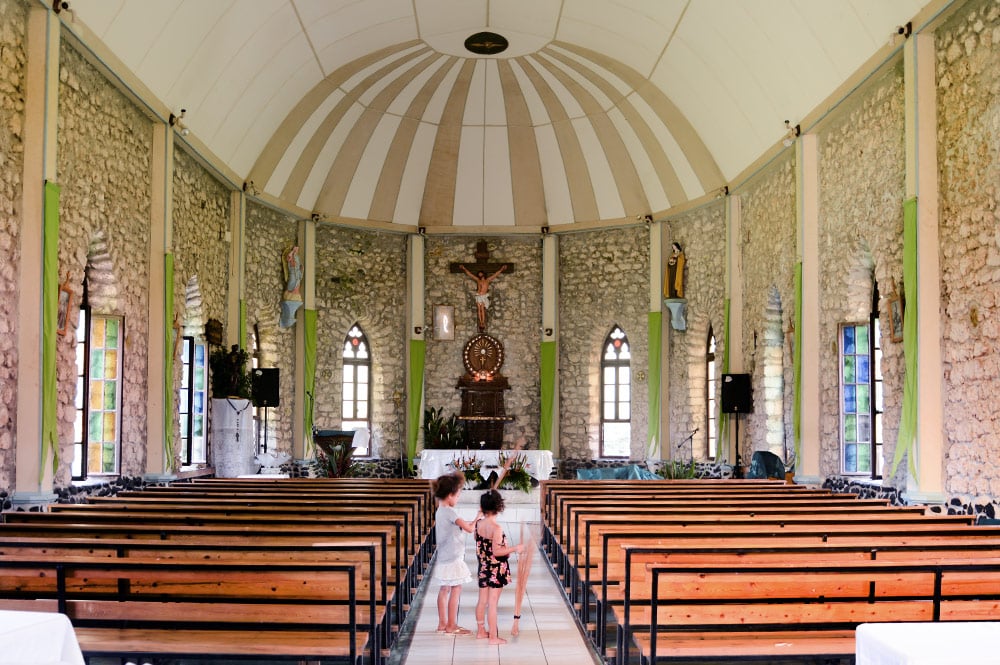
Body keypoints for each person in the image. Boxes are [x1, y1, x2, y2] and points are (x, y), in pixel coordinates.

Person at [474, 489, 524, 644]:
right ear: (499, 507)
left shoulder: (478, 524)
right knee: (493, 603)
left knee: (482, 601)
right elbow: (497, 551)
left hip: (483, 566)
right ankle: (493, 637)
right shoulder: (496, 528)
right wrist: (516, 548)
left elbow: (479, 542)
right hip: (495, 568)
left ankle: (481, 631)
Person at [432, 472, 478, 635]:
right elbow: (469, 528)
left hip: (444, 556)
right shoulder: (451, 513)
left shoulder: (441, 510)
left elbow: (462, 528)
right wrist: (478, 516)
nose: (457, 499)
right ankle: (452, 625)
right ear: (450, 495)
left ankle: (442, 623)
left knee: (444, 589)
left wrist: (474, 519)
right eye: (457, 496)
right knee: (456, 588)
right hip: (453, 557)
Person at [460, 263, 507, 331]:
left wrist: (502, 269)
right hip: (478, 295)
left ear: (483, 274)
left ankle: (483, 322)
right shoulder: (478, 280)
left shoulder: (487, 280)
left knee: (482, 309)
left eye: (480, 274)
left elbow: (495, 274)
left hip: (483, 296)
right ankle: (481, 322)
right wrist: (464, 269)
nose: (479, 275)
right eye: (478, 274)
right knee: (479, 309)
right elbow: (470, 275)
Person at [280, 245, 303, 328]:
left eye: (297, 250)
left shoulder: (297, 257)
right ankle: (290, 293)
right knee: (291, 283)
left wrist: (301, 269)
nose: (296, 251)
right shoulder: (291, 255)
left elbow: (299, 265)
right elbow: (288, 260)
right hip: (293, 272)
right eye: (295, 249)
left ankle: (294, 293)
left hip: (297, 274)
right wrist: (291, 258)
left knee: (297, 285)